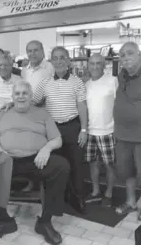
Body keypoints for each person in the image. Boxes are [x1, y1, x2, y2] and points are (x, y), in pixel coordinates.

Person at [0, 80, 70, 245]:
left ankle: (45, 222)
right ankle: (3, 221)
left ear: (31, 96)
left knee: (61, 166)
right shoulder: (2, 113)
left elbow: (57, 139)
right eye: (17, 93)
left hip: (36, 160)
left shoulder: (42, 113)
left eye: (24, 93)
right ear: (12, 96)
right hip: (6, 159)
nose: (21, 96)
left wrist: (46, 149)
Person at [33, 46, 87, 213]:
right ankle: (59, 198)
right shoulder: (45, 83)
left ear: (68, 60)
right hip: (52, 130)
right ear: (51, 61)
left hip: (72, 127)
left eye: (62, 57)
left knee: (76, 164)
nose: (58, 61)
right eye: (55, 58)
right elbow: (33, 102)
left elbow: (82, 106)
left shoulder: (77, 82)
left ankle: (78, 198)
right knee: (57, 165)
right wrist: (13, 104)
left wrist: (84, 130)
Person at [113, 42, 141, 221]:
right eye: (122, 55)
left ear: (140, 55)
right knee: (127, 171)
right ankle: (131, 201)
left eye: (129, 53)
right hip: (122, 136)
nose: (125, 58)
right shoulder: (122, 75)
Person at [84, 53, 118, 207]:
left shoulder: (112, 81)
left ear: (104, 65)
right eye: (92, 63)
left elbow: (119, 106)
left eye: (99, 63)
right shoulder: (86, 84)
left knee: (110, 164)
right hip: (90, 131)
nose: (95, 66)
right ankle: (95, 191)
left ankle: (109, 193)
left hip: (108, 131)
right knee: (93, 164)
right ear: (88, 65)